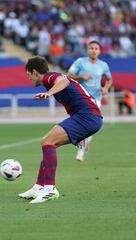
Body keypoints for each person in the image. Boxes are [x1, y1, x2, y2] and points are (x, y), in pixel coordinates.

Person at [18, 56, 102, 204]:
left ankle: (50, 189)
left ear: (35, 72)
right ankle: (39, 187)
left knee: (47, 141)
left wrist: (49, 94)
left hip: (87, 117)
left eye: (29, 75)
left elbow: (65, 81)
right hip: (88, 117)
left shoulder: (50, 78)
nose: (29, 78)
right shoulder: (51, 79)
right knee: (49, 143)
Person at [67, 40, 112, 161]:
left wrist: (106, 88)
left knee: (92, 123)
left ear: (99, 51)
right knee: (81, 123)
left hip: (95, 99)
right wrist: (81, 76)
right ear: (88, 50)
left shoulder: (103, 65)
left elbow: (109, 79)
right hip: (80, 98)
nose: (93, 50)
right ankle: (83, 140)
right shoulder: (80, 62)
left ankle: (80, 152)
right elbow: (68, 75)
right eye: (91, 48)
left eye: (96, 48)